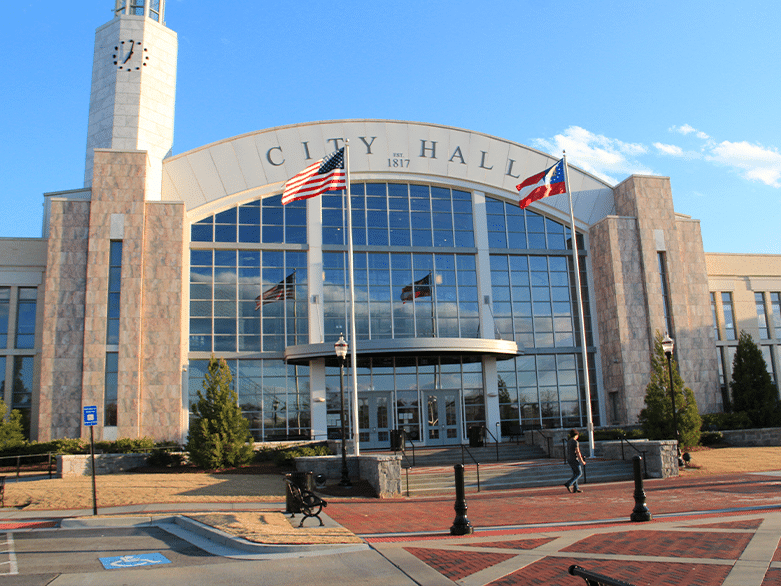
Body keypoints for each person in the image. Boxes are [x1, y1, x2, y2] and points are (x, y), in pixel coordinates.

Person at [564, 428, 586, 493]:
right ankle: (569, 483)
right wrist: (582, 461)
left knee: (575, 474)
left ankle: (576, 488)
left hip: (569, 459)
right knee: (579, 473)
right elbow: (578, 452)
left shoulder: (569, 442)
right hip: (574, 459)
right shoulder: (575, 442)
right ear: (576, 435)